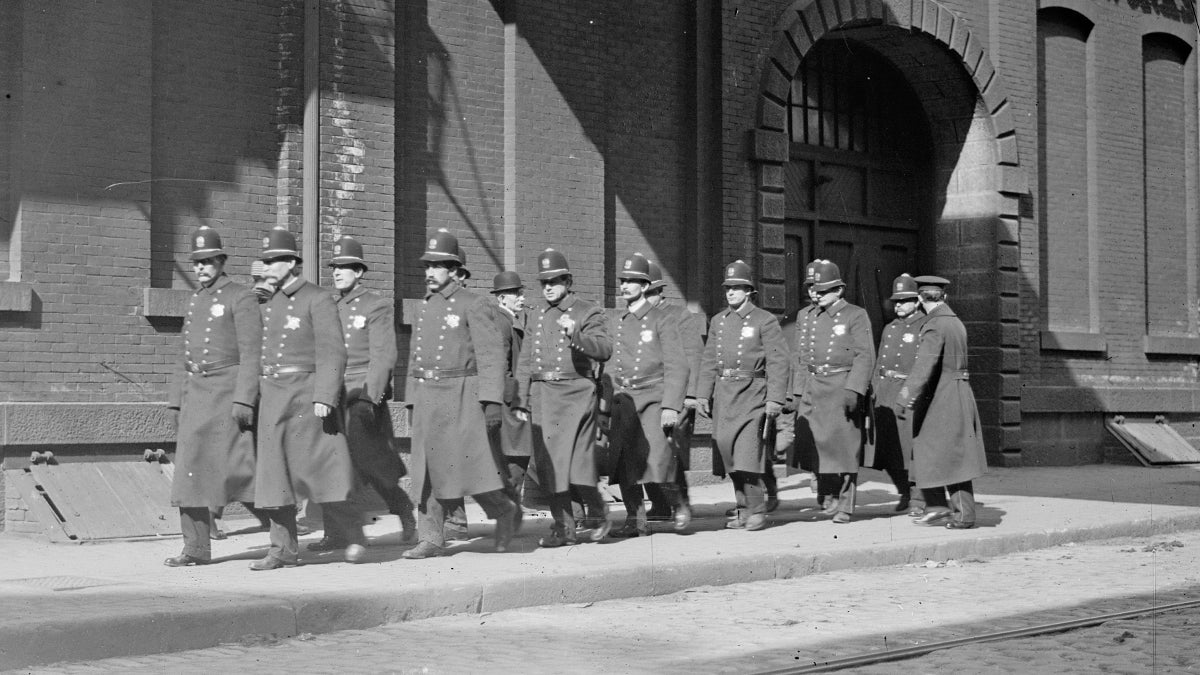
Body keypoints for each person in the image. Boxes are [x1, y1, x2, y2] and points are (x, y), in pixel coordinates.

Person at [402, 228, 521, 559]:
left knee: (467, 470)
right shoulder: (424, 307)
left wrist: (492, 401)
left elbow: (491, 355)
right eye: (427, 266)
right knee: (427, 470)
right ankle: (431, 537)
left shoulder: (475, 303)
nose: (429, 273)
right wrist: (412, 400)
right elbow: (414, 358)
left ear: (455, 271)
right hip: (428, 396)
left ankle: (504, 512)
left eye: (437, 266)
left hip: (461, 395)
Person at [251, 226, 364, 570]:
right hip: (274, 397)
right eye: (266, 261)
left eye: (273, 261)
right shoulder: (268, 303)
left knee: (324, 471)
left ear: (291, 263)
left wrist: (326, 394)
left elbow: (334, 352)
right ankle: (282, 549)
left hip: (307, 397)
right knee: (276, 476)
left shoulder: (317, 298)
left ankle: (354, 535)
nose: (268, 267)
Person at [304, 234, 417, 553]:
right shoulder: (328, 306)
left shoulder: (375, 305)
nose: (338, 271)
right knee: (331, 464)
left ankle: (404, 509)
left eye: (346, 266)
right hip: (331, 397)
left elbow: (384, 356)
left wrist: (371, 398)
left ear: (360, 272)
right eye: (335, 266)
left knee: (370, 464)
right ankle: (336, 533)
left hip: (361, 398)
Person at [164, 226, 265, 567]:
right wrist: (176, 399)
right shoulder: (195, 300)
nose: (202, 268)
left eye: (208, 261)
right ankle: (194, 548)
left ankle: (282, 533)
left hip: (226, 393)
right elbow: (184, 354)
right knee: (189, 473)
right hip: (196, 395)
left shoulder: (241, 296)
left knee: (241, 471)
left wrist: (244, 399)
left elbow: (252, 353)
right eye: (197, 263)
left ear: (222, 261)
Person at [513, 249, 613, 547]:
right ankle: (564, 528)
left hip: (576, 395)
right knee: (547, 466)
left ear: (568, 281)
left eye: (555, 281)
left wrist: (577, 337)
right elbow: (526, 362)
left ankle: (598, 511)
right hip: (543, 395)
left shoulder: (587, 311)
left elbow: (605, 349)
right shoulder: (537, 315)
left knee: (577, 464)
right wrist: (520, 401)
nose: (549, 288)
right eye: (544, 283)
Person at [695, 260, 790, 531]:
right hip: (725, 397)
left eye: (737, 288)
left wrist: (774, 399)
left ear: (749, 291)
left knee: (748, 454)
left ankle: (756, 509)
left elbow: (778, 362)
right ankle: (742, 508)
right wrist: (703, 394)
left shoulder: (765, 320)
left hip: (753, 395)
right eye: (728, 288)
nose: (731, 293)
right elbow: (709, 360)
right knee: (729, 454)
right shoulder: (718, 321)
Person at [605, 253, 690, 538]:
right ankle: (635, 519)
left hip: (654, 397)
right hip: (626, 398)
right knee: (625, 461)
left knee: (658, 458)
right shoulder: (620, 321)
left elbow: (678, 364)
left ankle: (679, 505)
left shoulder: (661, 319)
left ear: (645, 285)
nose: (626, 285)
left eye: (633, 281)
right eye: (624, 280)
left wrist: (671, 406)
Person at [894, 275, 989, 529]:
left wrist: (904, 396)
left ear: (919, 299)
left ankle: (955, 513)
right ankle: (944, 509)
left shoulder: (934, 325)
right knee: (952, 454)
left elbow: (926, 364)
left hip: (941, 397)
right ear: (943, 297)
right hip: (957, 392)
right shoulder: (955, 322)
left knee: (938, 452)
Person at [789, 259, 874, 524]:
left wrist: (854, 390)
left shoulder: (855, 315)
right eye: (814, 288)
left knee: (846, 447)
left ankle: (846, 504)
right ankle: (828, 495)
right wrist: (797, 392)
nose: (817, 294)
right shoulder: (807, 316)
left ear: (839, 290)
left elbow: (864, 355)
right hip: (815, 386)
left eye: (823, 290)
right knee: (818, 443)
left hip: (840, 386)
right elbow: (801, 356)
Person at [643, 260, 703, 522]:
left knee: (671, 453)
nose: (645, 299)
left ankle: (681, 503)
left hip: (675, 398)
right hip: (649, 397)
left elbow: (693, 356)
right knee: (645, 451)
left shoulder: (679, 316)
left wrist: (689, 396)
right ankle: (658, 504)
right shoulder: (640, 319)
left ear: (659, 292)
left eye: (649, 294)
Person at [867, 274, 928, 516]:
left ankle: (918, 497)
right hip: (886, 393)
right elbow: (879, 361)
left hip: (908, 394)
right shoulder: (889, 328)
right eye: (896, 301)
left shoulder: (925, 325)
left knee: (911, 449)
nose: (899, 305)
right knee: (889, 450)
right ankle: (903, 490)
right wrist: (873, 390)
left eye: (904, 300)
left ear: (917, 301)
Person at [487, 271, 535, 506]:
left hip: (512, 402)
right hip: (511, 405)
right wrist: (516, 400)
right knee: (515, 459)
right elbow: (501, 366)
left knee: (516, 459)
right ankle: (509, 513)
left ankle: (509, 511)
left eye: (521, 292)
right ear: (501, 298)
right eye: (515, 293)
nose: (521, 298)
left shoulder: (509, 321)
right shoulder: (502, 323)